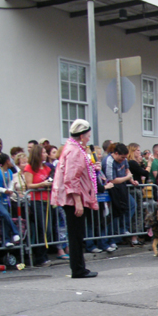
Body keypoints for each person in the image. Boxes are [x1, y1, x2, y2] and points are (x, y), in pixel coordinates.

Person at [50, 119, 100, 278]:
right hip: (73, 199)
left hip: (74, 197)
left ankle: (79, 267)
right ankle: (78, 269)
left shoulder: (74, 148)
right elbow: (71, 178)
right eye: (87, 134)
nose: (89, 137)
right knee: (76, 235)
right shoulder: (74, 151)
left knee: (77, 234)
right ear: (82, 135)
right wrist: (78, 202)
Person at [23, 143, 53, 267]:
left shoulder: (47, 168)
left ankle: (44, 254)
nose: (46, 155)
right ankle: (40, 257)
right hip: (36, 201)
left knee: (48, 229)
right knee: (42, 229)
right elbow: (29, 185)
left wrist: (49, 184)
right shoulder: (29, 168)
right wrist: (43, 184)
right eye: (44, 152)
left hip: (47, 200)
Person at [0, 153, 21, 249]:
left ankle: (6, 240)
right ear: (6, 161)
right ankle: (15, 232)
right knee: (5, 214)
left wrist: (10, 189)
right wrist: (4, 190)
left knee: (5, 219)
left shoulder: (9, 172)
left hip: (5, 198)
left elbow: (10, 183)